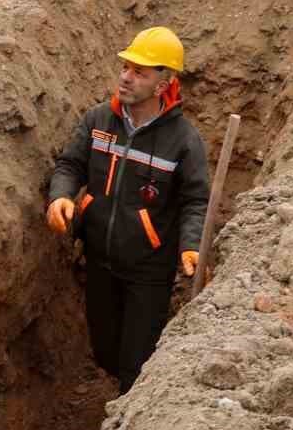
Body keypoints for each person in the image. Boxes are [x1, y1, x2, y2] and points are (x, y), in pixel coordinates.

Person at [45, 27, 210, 393]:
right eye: (126, 67)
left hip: (148, 270)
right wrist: (61, 195)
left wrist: (191, 245)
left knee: (135, 363)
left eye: (140, 72)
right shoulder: (98, 121)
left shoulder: (184, 142)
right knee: (105, 352)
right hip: (99, 258)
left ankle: (123, 422)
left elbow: (195, 201)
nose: (126, 77)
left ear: (164, 84)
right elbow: (70, 165)